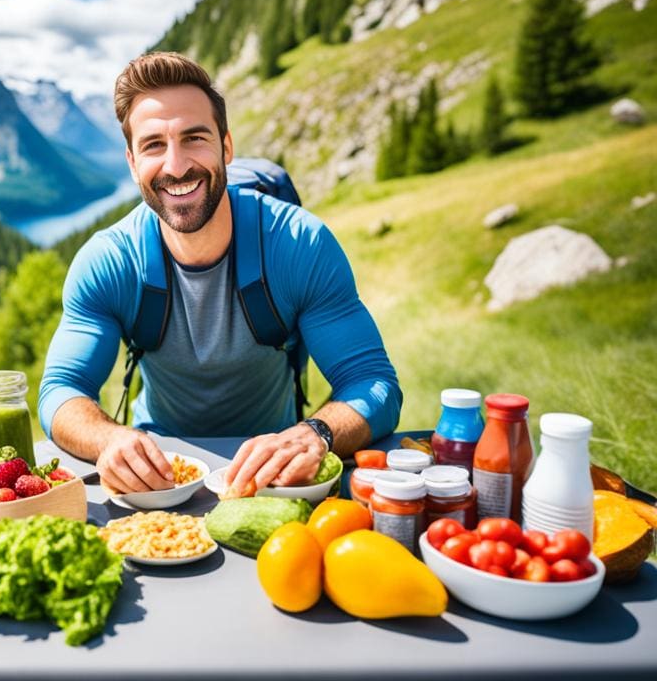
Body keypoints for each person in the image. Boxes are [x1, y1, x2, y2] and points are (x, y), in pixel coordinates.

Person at [39, 52, 401, 496]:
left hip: (277, 476)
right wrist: (110, 440)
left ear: (226, 147)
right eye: (154, 145)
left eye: (194, 138)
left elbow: (372, 380)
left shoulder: (298, 244)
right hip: (160, 478)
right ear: (132, 163)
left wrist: (316, 435)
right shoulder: (109, 261)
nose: (175, 166)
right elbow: (61, 389)